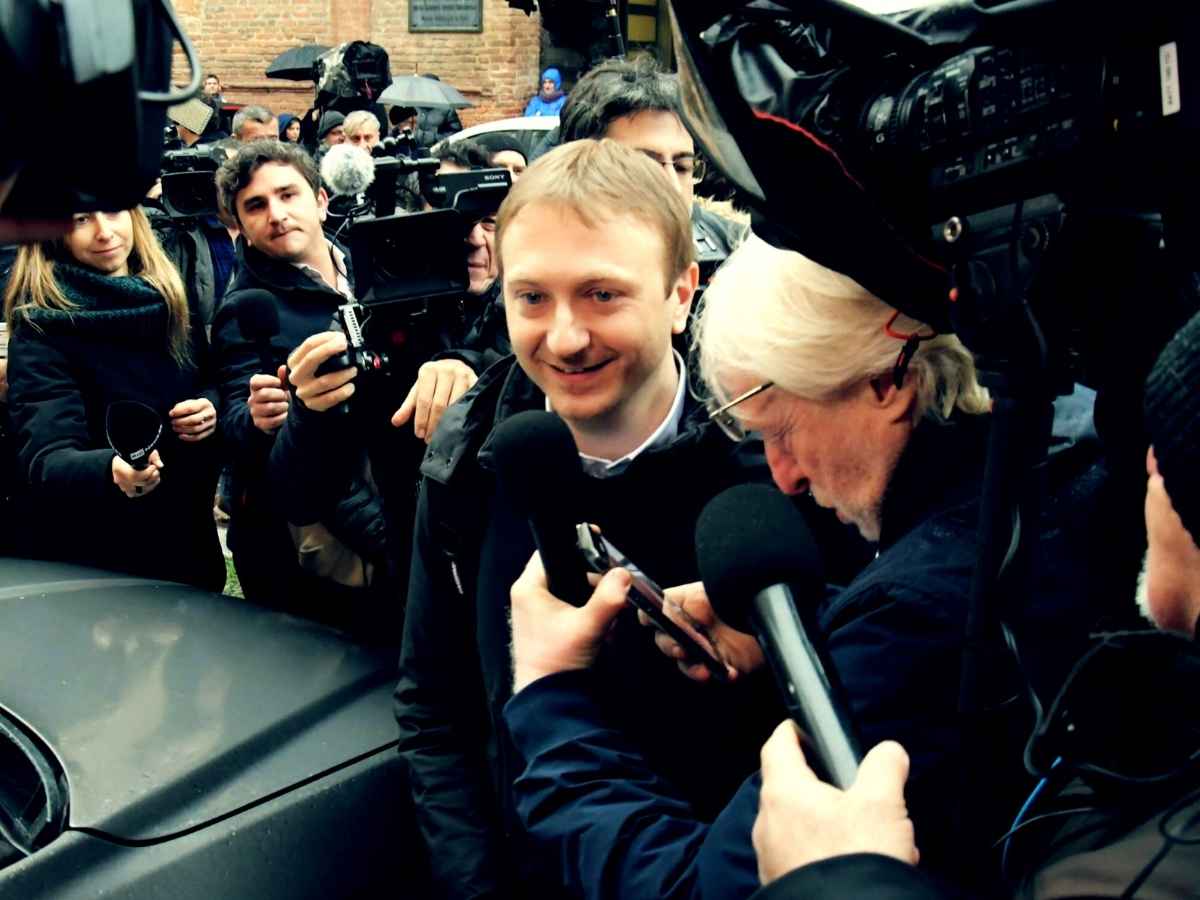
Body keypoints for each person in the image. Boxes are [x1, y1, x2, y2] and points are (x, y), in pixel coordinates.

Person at [502, 231, 1109, 898]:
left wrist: (549, 693)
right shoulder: (1072, 451)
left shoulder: (916, 615)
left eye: (780, 430)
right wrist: (813, 629)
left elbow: (696, 891)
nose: (783, 476)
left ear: (888, 380)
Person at [384, 139, 866, 900]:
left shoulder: (782, 467)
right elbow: (435, 704)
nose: (565, 336)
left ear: (681, 292)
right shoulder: (469, 462)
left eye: (602, 294)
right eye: (532, 298)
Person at [209, 139, 389, 625]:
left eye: (288, 195)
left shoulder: (369, 267)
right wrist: (255, 417)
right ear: (240, 226)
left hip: (388, 489)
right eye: (256, 205)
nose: (277, 213)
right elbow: (233, 420)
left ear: (321, 201)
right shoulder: (244, 307)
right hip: (311, 538)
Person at [3, 207, 224, 590]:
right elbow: (46, 457)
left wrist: (210, 406)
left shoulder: (169, 296)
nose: (104, 232)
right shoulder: (41, 327)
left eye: (112, 210)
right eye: (80, 219)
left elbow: (209, 380)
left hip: (186, 546)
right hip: (101, 567)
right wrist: (111, 470)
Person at [537, 56, 746, 291]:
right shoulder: (532, 269)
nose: (672, 188)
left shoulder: (741, 255)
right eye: (644, 167)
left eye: (682, 167)